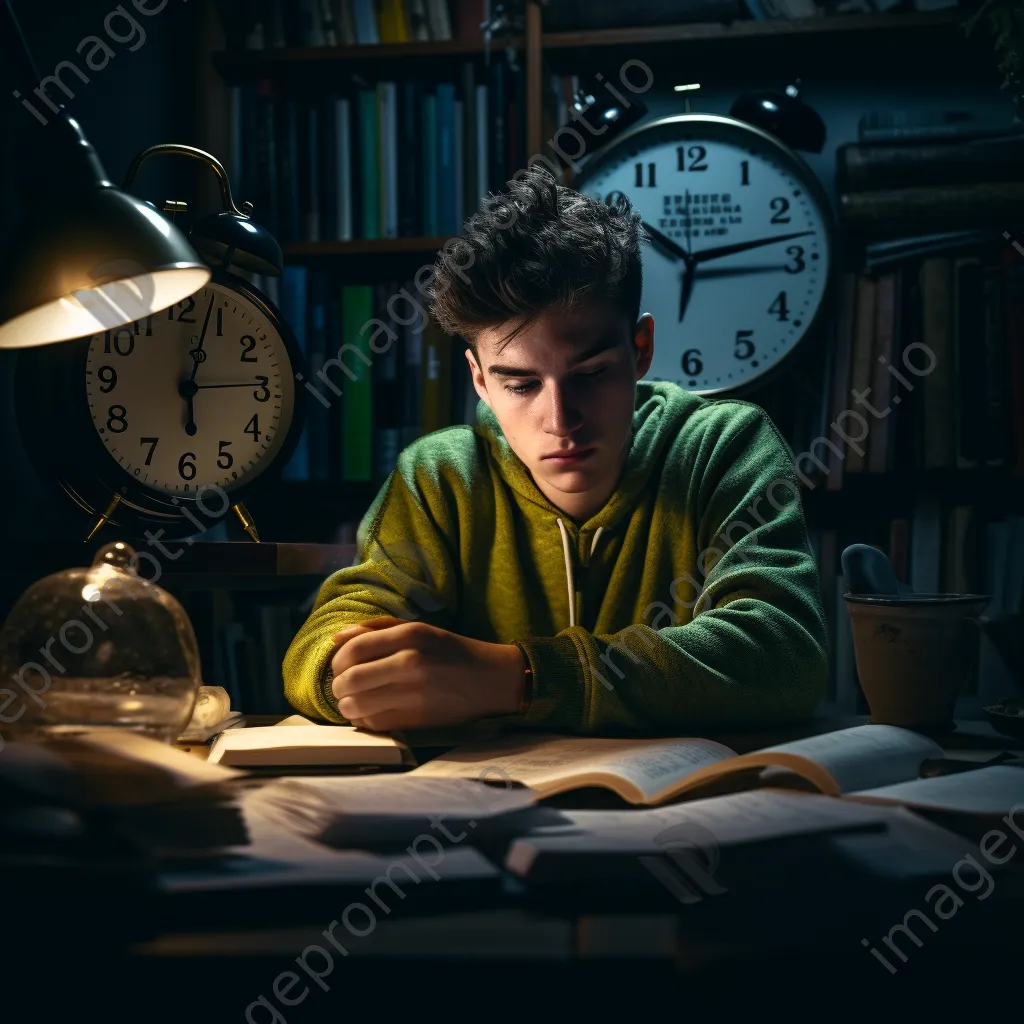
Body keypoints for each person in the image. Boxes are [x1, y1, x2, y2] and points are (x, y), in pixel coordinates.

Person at [282, 168, 827, 738]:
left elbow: (785, 654)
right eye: (520, 385)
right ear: (479, 381)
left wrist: (516, 678)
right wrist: (341, 671)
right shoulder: (441, 476)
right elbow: (323, 639)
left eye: (591, 373)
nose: (561, 420)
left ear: (640, 349)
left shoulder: (724, 447)